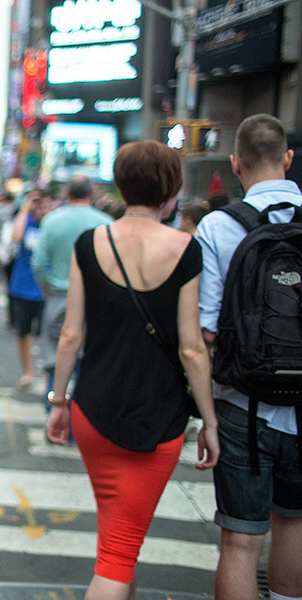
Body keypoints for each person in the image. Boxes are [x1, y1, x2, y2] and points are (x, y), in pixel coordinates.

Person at [46, 141, 219, 600]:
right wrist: (210, 421)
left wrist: (58, 401)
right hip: (156, 417)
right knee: (119, 553)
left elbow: (71, 334)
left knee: (117, 538)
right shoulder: (185, 248)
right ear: (170, 188)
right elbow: (191, 348)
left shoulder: (91, 243)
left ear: (121, 184)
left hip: (92, 408)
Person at [195, 114, 302, 600]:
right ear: (288, 159)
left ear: (236, 163)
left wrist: (206, 416)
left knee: (240, 543)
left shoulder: (218, 226)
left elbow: (207, 330)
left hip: (241, 402)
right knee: (294, 524)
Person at [31, 175, 112, 408]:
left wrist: (46, 289)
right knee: (88, 360)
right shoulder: (105, 223)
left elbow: (38, 263)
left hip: (58, 296)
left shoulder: (52, 220)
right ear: (92, 193)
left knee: (55, 357)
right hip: (94, 300)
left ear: (66, 193)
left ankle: (54, 409)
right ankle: (78, 415)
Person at [8, 191, 51, 388]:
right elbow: (16, 236)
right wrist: (25, 207)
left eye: (46, 206)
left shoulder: (52, 225)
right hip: (22, 287)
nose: (43, 210)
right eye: (39, 206)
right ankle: (28, 372)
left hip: (45, 289)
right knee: (22, 332)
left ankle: (46, 375)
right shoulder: (27, 222)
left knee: (45, 336)